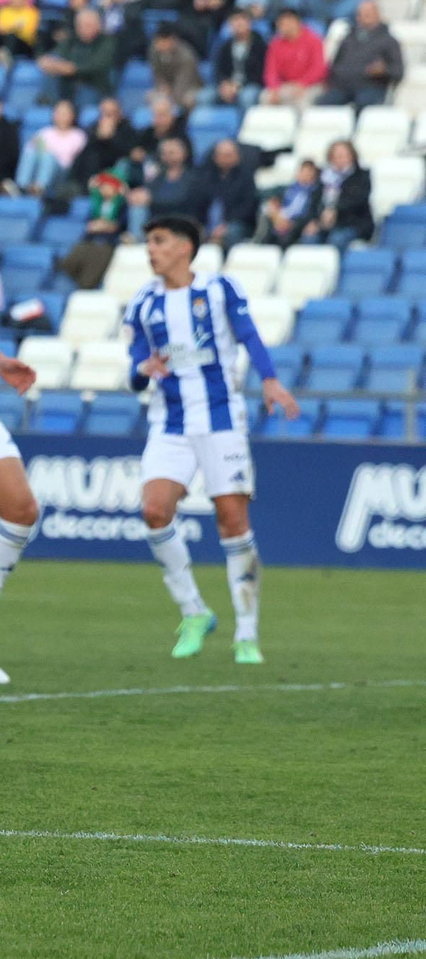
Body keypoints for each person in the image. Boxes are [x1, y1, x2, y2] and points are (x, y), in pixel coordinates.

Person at [124, 216, 299, 665]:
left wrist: (272, 381)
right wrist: (143, 370)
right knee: (154, 510)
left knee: (232, 521)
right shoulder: (144, 302)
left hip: (221, 418)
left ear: (185, 247)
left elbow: (250, 337)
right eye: (148, 242)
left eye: (159, 241)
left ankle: (246, 632)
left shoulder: (221, 289)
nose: (151, 250)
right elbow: (135, 367)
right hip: (171, 422)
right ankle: (194, 611)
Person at [319, 0, 402, 110]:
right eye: (362, 14)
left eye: (369, 13)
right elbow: (335, 65)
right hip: (342, 87)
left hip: (371, 86)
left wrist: (383, 70)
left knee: (363, 105)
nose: (365, 16)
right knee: (322, 106)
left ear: (378, 15)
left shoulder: (389, 41)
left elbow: (398, 71)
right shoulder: (348, 38)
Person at [37, 8, 115, 106]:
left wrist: (72, 68)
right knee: (50, 74)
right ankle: (48, 105)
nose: (83, 29)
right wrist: (49, 62)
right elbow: (56, 55)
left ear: (98, 25)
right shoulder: (71, 40)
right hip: (68, 86)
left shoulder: (107, 42)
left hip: (93, 87)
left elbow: (97, 65)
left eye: (88, 25)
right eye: (80, 25)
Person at [11, 99, 86, 198]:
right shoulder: (45, 132)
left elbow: (71, 160)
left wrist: (50, 152)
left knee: (48, 157)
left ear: (72, 115)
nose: (61, 116)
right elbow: (29, 150)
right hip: (40, 166)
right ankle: (21, 186)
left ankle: (40, 188)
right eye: (58, 112)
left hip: (63, 173)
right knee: (30, 153)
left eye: (64, 113)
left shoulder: (78, 136)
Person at [307, 139, 372, 248]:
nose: (340, 158)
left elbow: (358, 200)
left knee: (337, 239)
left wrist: (335, 211)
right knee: (309, 238)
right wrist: (314, 220)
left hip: (351, 223)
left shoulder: (361, 176)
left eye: (343, 154)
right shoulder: (323, 177)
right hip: (323, 223)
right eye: (336, 155)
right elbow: (314, 201)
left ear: (352, 156)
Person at [196, 138, 258, 248]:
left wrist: (225, 225)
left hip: (236, 223)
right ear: (215, 157)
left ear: (237, 156)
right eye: (221, 155)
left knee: (232, 232)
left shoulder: (246, 178)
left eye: (229, 155)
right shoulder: (205, 177)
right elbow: (199, 204)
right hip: (208, 223)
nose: (225, 159)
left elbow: (247, 207)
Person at [263, 8, 327, 106]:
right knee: (266, 97)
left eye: (287, 23)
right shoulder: (275, 44)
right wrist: (274, 88)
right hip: (286, 85)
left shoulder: (314, 40)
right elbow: (271, 70)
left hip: (311, 85)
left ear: (297, 22)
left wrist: (303, 84)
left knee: (302, 100)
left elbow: (319, 68)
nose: (283, 27)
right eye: (281, 24)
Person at [257, 158, 321, 248]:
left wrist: (291, 223)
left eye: (310, 173)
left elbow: (312, 212)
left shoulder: (316, 192)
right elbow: (262, 195)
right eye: (304, 172)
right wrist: (276, 215)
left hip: (297, 224)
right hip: (279, 220)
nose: (306, 175)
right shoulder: (285, 189)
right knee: (265, 211)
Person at [209, 9, 267, 107]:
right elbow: (218, 70)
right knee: (205, 97)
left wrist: (238, 86)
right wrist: (224, 84)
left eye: (242, 20)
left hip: (251, 85)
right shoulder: (224, 47)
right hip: (228, 85)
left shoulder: (260, 45)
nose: (238, 24)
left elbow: (261, 73)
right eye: (234, 20)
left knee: (247, 97)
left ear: (249, 23)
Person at [148, 24, 202, 109]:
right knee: (150, 96)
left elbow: (184, 81)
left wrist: (169, 97)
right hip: (168, 88)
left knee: (188, 99)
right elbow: (157, 74)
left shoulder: (186, 56)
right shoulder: (154, 52)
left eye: (162, 42)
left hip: (189, 88)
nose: (159, 45)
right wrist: (162, 87)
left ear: (171, 41)